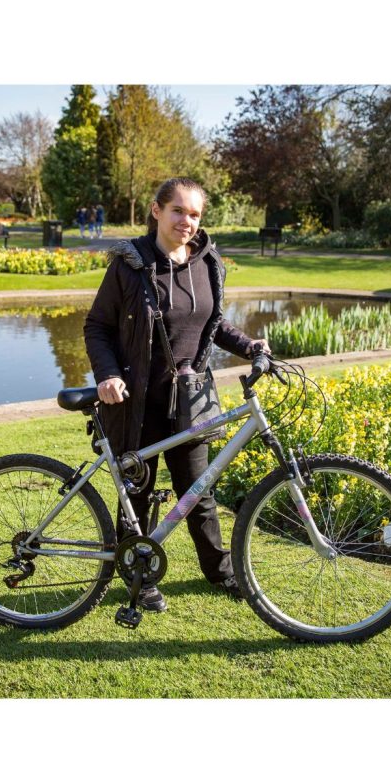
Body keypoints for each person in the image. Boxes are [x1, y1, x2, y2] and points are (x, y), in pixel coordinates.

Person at [84, 177, 270, 613]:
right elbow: (98, 327)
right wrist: (108, 375)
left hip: (189, 400)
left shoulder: (208, 263)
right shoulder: (130, 265)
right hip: (137, 401)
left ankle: (220, 571)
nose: (187, 222)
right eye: (178, 211)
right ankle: (139, 575)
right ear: (156, 211)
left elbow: (214, 325)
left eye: (195, 214)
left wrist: (249, 346)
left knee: (199, 491)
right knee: (138, 492)